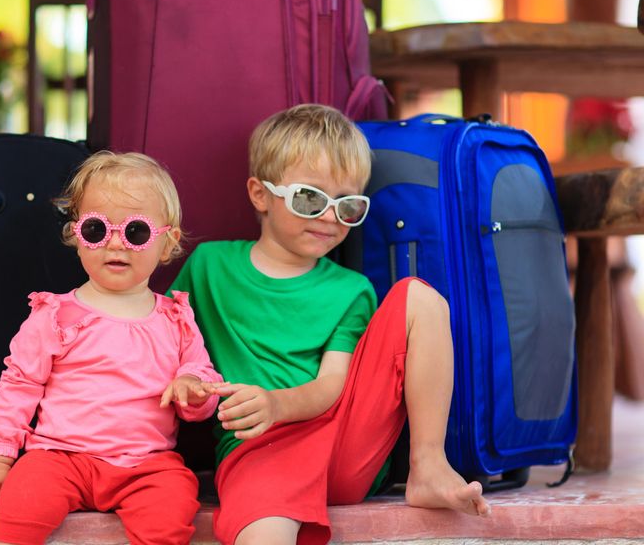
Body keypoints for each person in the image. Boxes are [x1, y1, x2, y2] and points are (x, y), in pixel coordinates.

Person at [170, 104, 492, 545]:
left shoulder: (351, 290)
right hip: (259, 451)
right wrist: (186, 381)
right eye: (310, 197)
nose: (329, 216)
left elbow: (331, 386)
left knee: (420, 296)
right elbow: (166, 339)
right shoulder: (209, 266)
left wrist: (278, 404)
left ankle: (429, 465)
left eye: (348, 205)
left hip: (341, 445)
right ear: (260, 194)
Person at [0, 151, 224, 545]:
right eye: (96, 229)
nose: (114, 243)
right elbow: (19, 386)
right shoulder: (55, 315)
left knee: (174, 502)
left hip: (146, 465)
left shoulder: (176, 319)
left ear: (167, 244)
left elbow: (202, 379)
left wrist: (193, 387)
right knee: (21, 504)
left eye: (136, 232)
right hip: (59, 457)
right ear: (76, 236)